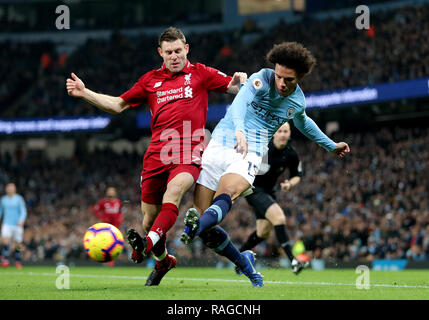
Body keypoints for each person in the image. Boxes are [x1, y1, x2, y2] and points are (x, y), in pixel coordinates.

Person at [66, 27, 247, 286]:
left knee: (173, 192)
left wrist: (244, 81)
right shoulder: (150, 81)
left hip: (190, 150)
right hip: (156, 154)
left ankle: (144, 246)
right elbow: (118, 105)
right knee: (149, 218)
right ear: (160, 53)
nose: (174, 56)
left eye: (178, 51)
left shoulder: (200, 73)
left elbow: (233, 86)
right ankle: (163, 260)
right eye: (169, 52)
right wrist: (85, 93)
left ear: (187, 49)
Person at [180, 42, 350, 287]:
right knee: (205, 222)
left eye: (288, 80)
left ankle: (190, 232)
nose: (281, 83)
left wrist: (330, 145)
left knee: (225, 195)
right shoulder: (261, 79)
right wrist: (239, 129)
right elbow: (239, 102)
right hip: (219, 143)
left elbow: (303, 123)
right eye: (279, 76)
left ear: (300, 78)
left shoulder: (297, 102)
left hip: (250, 153)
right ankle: (242, 260)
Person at [238, 122, 308, 274]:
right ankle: (293, 261)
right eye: (280, 131)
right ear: (275, 133)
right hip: (253, 190)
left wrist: (290, 184)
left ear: (289, 134)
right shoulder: (263, 148)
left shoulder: (291, 153)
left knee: (263, 232)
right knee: (279, 218)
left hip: (269, 192)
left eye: (286, 131)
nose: (283, 134)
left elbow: (297, 175)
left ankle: (238, 258)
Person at [93, 187, 123, 267]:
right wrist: (101, 217)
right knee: (106, 244)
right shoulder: (103, 202)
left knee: (114, 245)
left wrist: (120, 220)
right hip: (106, 228)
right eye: (109, 192)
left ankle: (111, 261)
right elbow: (96, 211)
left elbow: (120, 212)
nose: (111, 193)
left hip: (116, 228)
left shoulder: (118, 202)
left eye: (112, 192)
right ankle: (105, 260)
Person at [0, 183, 27, 269]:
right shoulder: (3, 200)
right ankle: (5, 260)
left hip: (17, 224)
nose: (10, 189)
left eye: (12, 188)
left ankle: (18, 260)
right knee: (5, 241)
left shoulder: (19, 199)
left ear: (15, 189)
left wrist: (21, 220)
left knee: (18, 244)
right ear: (6, 189)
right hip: (6, 223)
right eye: (9, 188)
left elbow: (23, 211)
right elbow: (0, 211)